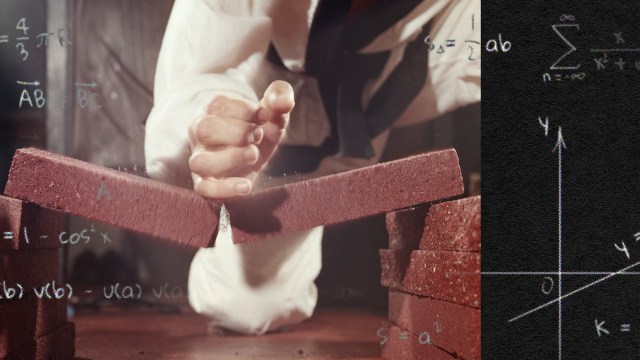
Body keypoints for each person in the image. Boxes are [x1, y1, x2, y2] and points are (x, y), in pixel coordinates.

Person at [145, 0, 480, 335]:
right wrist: (216, 125)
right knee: (246, 304)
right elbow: (200, 67)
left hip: (392, 82)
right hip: (263, 109)